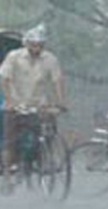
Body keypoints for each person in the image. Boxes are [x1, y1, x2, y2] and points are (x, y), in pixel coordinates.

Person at [0, 25, 66, 194]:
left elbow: (57, 80)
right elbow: (5, 79)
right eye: (33, 44)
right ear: (26, 43)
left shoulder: (50, 59)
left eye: (40, 45)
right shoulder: (13, 57)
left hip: (38, 103)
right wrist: (10, 100)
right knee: (9, 140)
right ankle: (7, 174)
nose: (36, 48)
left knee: (48, 126)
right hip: (15, 103)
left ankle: (45, 156)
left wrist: (60, 102)